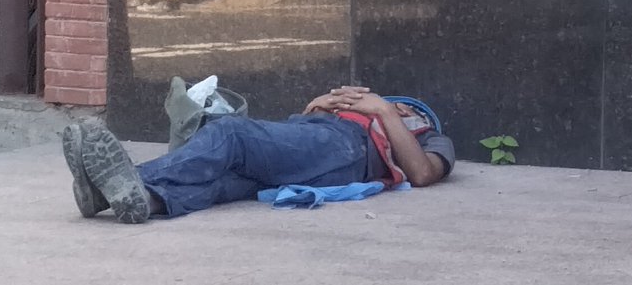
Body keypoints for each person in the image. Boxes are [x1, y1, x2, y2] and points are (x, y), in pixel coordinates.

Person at [62, 85, 455, 223]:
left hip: (346, 149)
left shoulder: (429, 136)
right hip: (324, 151)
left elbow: (422, 174)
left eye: (402, 107)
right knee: (225, 181)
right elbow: (295, 142)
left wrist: (385, 110)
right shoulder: (346, 117)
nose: (380, 104)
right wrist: (318, 106)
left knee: (231, 134)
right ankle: (139, 200)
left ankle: (126, 178)